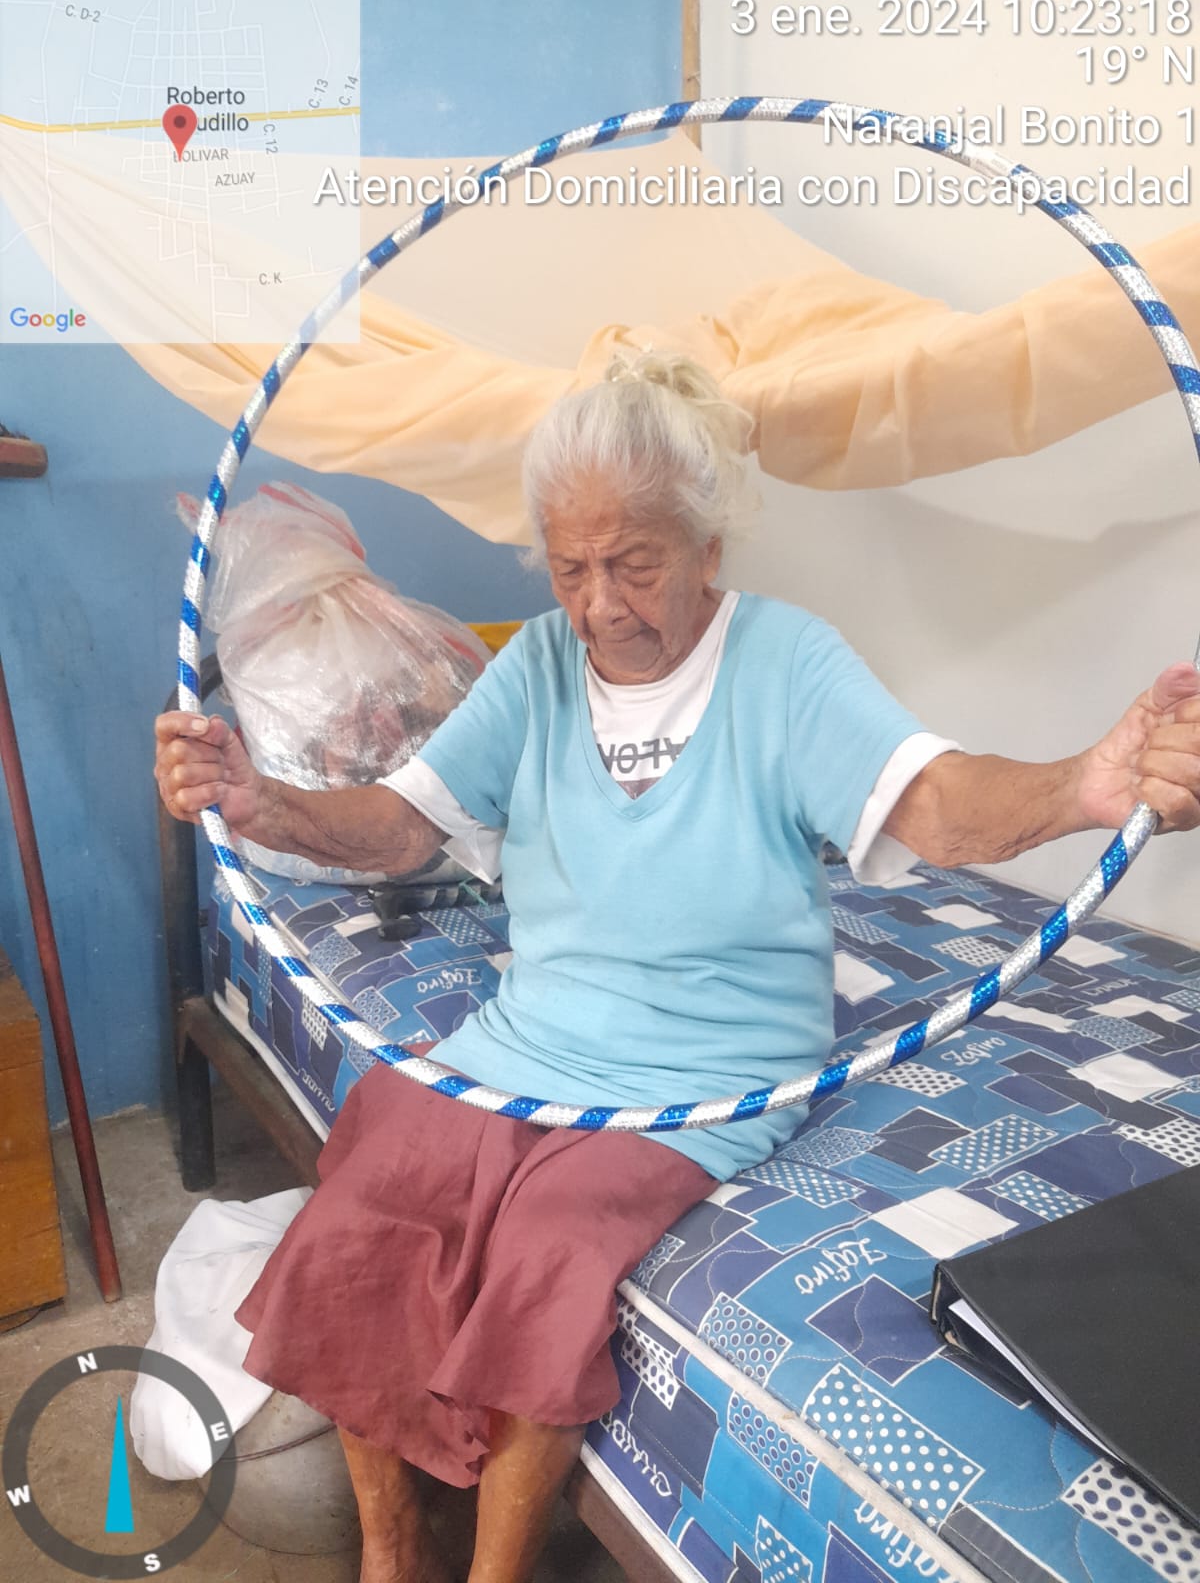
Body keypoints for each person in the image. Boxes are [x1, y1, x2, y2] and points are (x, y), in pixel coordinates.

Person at [155, 351, 1200, 1583]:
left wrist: (1084, 784)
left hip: (709, 1069)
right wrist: (265, 804)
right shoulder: (534, 667)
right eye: (569, 566)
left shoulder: (787, 663)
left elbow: (934, 802)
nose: (599, 603)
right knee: (367, 1181)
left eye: (633, 562)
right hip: (529, 1036)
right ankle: (393, 1554)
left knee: (548, 1246)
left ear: (708, 547)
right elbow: (399, 826)